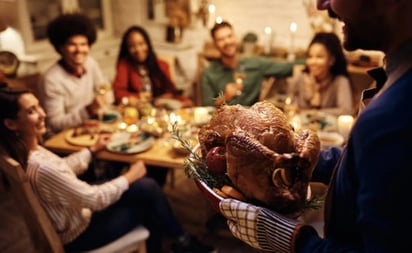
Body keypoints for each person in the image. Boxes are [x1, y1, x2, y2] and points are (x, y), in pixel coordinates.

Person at [218, 0, 412, 252]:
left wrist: (291, 237)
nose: (322, 4)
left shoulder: (392, 115)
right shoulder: (395, 78)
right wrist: (293, 159)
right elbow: (363, 164)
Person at [0, 85, 216, 253]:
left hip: (76, 215)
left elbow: (62, 168)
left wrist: (92, 150)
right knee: (148, 199)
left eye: (38, 106)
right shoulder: (40, 166)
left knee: (147, 186)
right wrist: (130, 176)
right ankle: (178, 242)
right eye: (31, 111)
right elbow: (94, 199)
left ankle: (179, 240)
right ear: (11, 124)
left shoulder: (28, 153)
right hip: (80, 234)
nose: (42, 114)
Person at [38, 13, 109, 135]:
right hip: (64, 138)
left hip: (89, 129)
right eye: (72, 44)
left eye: (83, 44)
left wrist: (104, 99)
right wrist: (89, 110)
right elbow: (55, 124)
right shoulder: (51, 79)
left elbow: (104, 88)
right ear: (61, 47)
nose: (79, 50)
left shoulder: (90, 63)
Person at [201, 21, 295, 107]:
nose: (227, 42)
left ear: (235, 37)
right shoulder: (209, 73)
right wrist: (225, 97)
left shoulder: (255, 63)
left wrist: (308, 61)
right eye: (221, 39)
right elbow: (207, 108)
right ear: (215, 44)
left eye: (229, 36)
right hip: (224, 122)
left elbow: (288, 68)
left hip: (252, 121)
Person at [113, 25, 193, 108]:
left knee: (187, 102)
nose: (138, 49)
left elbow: (171, 91)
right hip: (137, 110)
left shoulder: (162, 65)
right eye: (132, 46)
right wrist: (138, 98)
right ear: (127, 49)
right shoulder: (125, 65)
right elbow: (118, 92)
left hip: (160, 108)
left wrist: (162, 99)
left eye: (141, 44)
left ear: (148, 44)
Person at [289, 32, 353, 116]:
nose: (313, 62)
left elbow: (345, 111)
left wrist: (312, 113)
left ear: (331, 60)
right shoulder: (300, 79)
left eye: (319, 57)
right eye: (310, 56)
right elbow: (289, 104)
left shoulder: (340, 81)